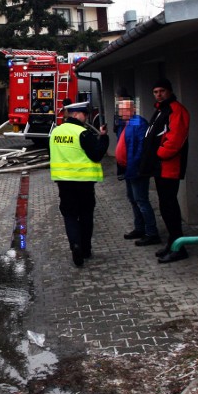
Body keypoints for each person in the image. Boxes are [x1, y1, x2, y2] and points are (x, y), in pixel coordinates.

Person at [49, 101, 110, 267]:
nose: (87, 117)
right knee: (85, 215)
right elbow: (96, 154)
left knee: (69, 215)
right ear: (76, 114)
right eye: (84, 114)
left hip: (63, 182)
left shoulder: (55, 132)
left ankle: (75, 244)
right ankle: (85, 249)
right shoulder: (83, 133)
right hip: (84, 182)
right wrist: (104, 139)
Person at [139, 78, 190, 263]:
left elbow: (175, 139)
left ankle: (179, 247)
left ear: (169, 91)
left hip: (169, 167)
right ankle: (173, 242)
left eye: (162, 91)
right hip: (161, 168)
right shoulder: (161, 110)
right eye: (155, 92)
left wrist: (158, 155)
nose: (158, 94)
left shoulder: (176, 110)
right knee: (166, 206)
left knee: (169, 207)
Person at [115, 97, 161, 246]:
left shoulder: (138, 122)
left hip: (137, 169)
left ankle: (152, 233)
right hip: (128, 169)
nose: (123, 112)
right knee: (133, 199)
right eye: (121, 109)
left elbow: (142, 147)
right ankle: (140, 228)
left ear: (133, 109)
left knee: (141, 200)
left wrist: (137, 167)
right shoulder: (128, 123)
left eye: (126, 109)